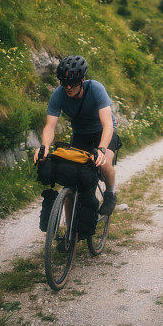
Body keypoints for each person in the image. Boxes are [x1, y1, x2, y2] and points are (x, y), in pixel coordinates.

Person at [33, 55, 119, 216]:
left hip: (103, 131)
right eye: (64, 83)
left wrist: (101, 149)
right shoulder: (58, 95)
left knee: (105, 162)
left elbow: (107, 124)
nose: (68, 87)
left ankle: (110, 193)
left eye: (72, 83)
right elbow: (50, 126)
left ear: (82, 80)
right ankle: (70, 237)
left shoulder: (95, 89)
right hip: (80, 134)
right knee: (71, 181)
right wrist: (44, 146)